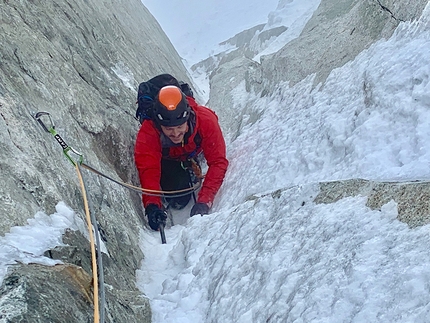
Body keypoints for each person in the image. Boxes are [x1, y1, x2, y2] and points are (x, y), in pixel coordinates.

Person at [134, 77, 228, 231]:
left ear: (188, 117)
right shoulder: (149, 131)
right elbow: (148, 169)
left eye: (180, 127)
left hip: (188, 152)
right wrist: (152, 205)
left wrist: (204, 201)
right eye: (169, 129)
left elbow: (218, 162)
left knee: (179, 196)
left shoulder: (206, 121)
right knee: (178, 200)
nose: (176, 134)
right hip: (168, 159)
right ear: (159, 124)